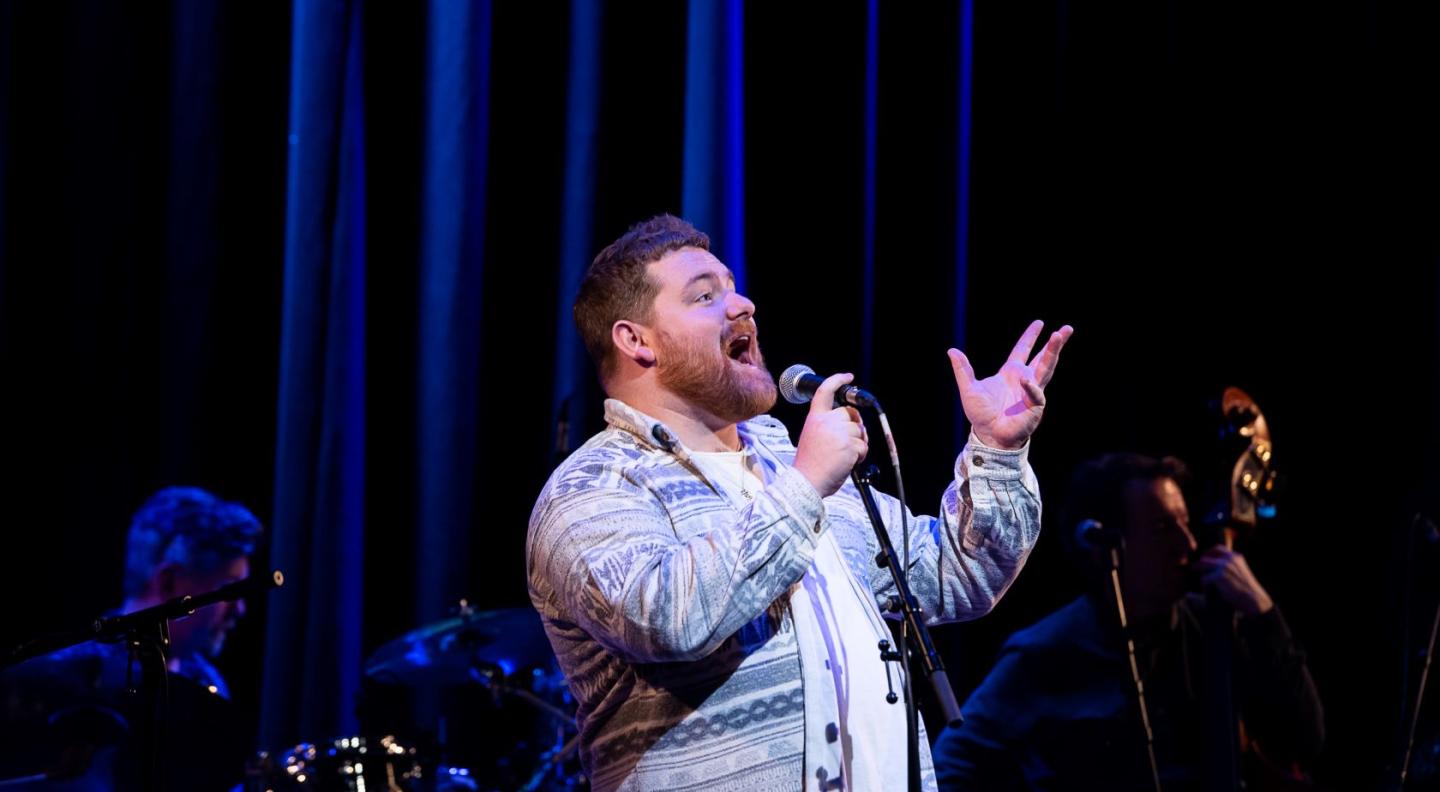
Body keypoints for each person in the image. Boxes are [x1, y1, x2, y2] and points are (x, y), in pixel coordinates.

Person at [526, 214, 1072, 791]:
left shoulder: (790, 465)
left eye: (733, 287)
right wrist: (806, 486)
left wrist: (997, 450)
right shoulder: (591, 488)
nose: (743, 306)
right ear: (636, 340)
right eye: (705, 296)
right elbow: (666, 619)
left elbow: (959, 575)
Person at [931, 453, 1324, 791]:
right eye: (1161, 529)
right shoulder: (1046, 652)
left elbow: (1305, 737)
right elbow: (953, 766)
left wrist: (1264, 614)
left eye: (1184, 523)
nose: (1187, 544)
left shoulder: (1213, 625)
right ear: (1105, 545)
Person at [0, 486, 263, 790]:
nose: (240, 609)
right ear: (169, 583)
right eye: (229, 590)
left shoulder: (207, 680)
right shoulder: (65, 681)